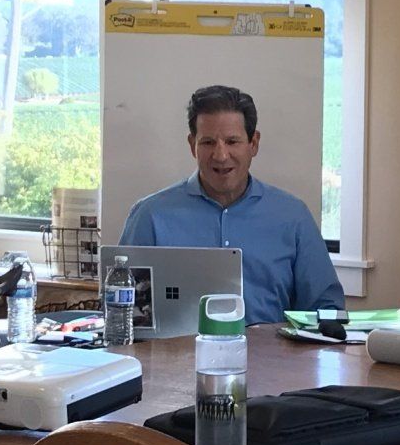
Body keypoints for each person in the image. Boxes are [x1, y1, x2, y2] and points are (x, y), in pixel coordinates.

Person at [118, 84, 344, 327]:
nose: (220, 155)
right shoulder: (150, 217)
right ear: (192, 144)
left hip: (272, 362)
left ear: (253, 143)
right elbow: (120, 311)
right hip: (172, 361)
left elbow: (326, 307)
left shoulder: (292, 216)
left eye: (232, 141)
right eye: (208, 143)